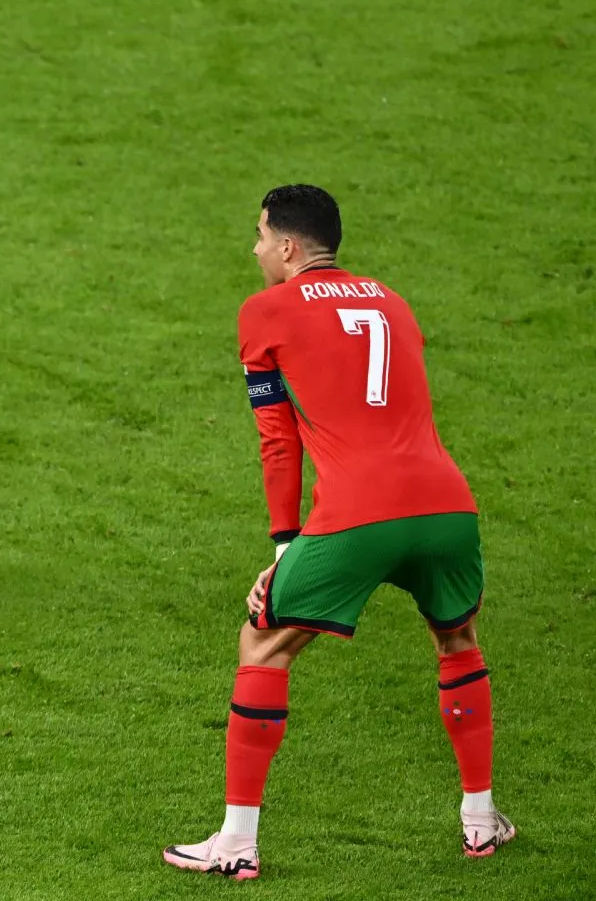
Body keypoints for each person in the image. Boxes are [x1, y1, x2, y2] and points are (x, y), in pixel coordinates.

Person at [163, 184, 515, 879]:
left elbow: (278, 438)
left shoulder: (264, 313)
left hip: (359, 513)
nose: (257, 249)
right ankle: (481, 821)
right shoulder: (392, 300)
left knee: (263, 641)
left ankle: (236, 841)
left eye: (262, 236)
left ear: (289, 246)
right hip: (447, 505)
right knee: (457, 640)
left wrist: (287, 545)